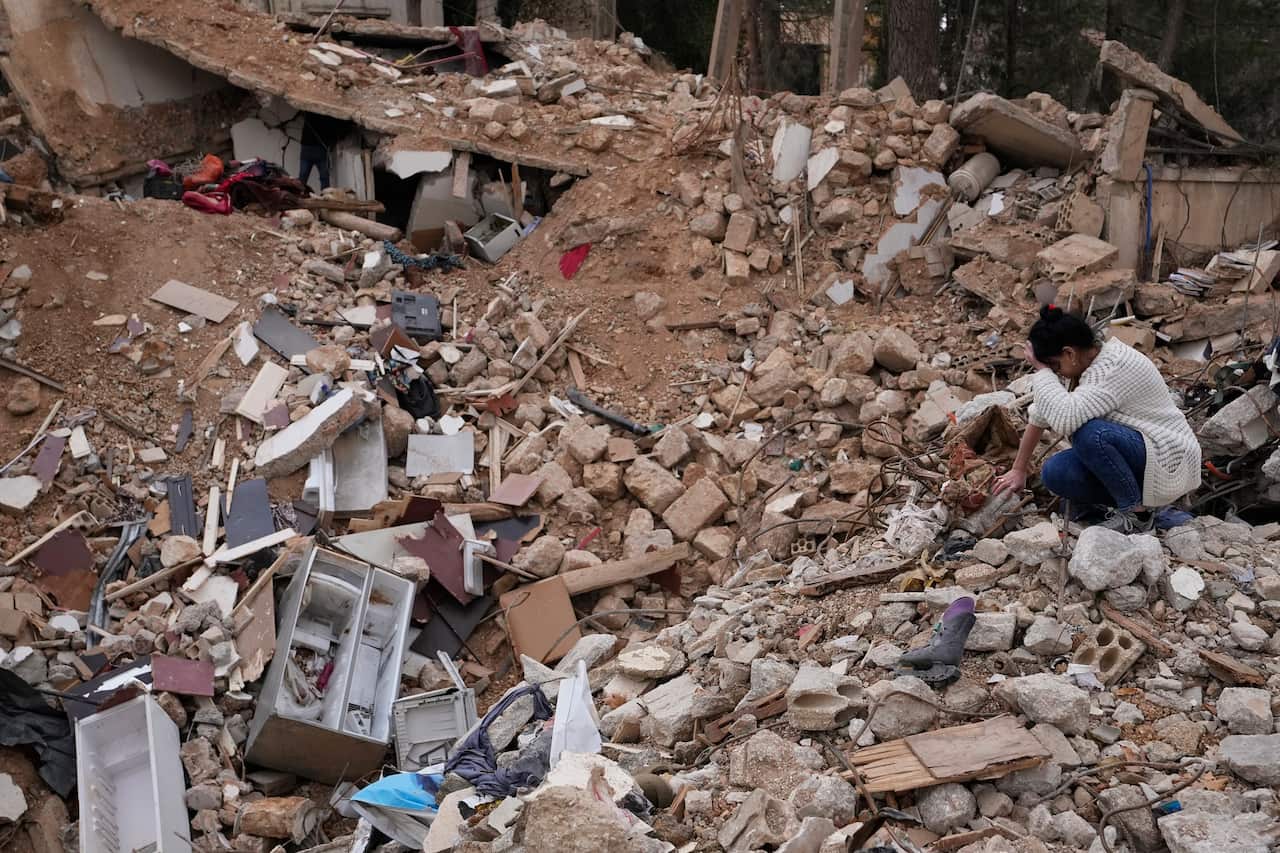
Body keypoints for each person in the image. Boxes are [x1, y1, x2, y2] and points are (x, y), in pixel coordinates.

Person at [992, 306, 1201, 532]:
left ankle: (1136, 515)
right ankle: (1119, 508)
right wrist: (1019, 469)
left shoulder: (1111, 367)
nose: (1056, 373)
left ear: (1069, 353)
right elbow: (1040, 414)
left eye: (1055, 366)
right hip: (1140, 457)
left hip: (1168, 456)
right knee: (1055, 472)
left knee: (1090, 433)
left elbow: (1066, 419)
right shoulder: (1082, 366)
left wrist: (1042, 372)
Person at [298, 114, 343, 190]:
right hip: (313, 149)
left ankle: (324, 198)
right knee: (305, 177)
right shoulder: (324, 115)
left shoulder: (312, 112)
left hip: (316, 150)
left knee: (305, 177)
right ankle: (298, 196)